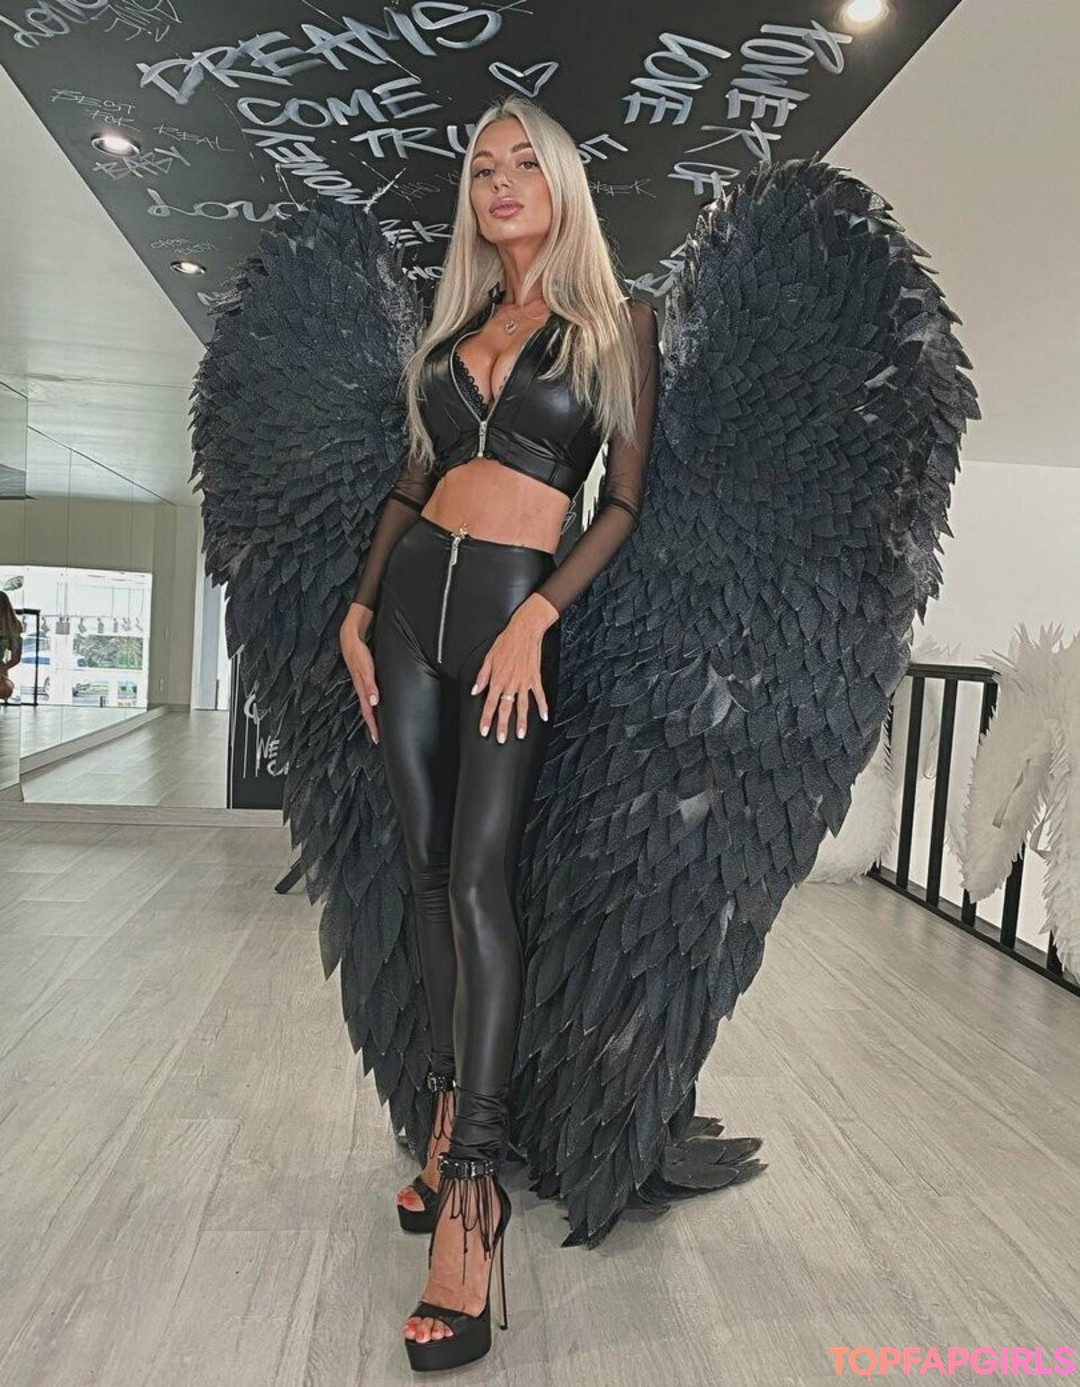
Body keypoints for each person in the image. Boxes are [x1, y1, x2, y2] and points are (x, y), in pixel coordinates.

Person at [337, 96, 659, 1372]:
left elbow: (621, 502)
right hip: (413, 602)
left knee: (480, 881)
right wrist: (360, 610)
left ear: (563, 184)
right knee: (425, 875)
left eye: (526, 162)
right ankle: (438, 1123)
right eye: (484, 167)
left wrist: (538, 615)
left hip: (513, 607)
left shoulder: (616, 325)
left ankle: (472, 1197)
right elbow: (412, 482)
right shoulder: (454, 332)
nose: (503, 181)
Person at [0, 592, 23, 704]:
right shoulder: (13, 625)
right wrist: (3, 669)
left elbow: (16, 658)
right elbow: (16, 658)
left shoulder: (12, 625)